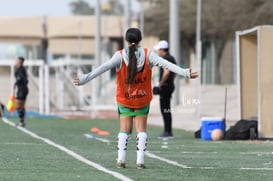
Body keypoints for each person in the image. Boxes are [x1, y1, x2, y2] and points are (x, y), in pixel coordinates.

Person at [73, 28, 198, 169]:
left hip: (124, 99)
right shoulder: (148, 54)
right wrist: (185, 73)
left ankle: (121, 160)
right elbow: (166, 65)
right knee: (141, 130)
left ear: (126, 40)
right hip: (142, 99)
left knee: (124, 129)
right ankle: (140, 161)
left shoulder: (119, 55)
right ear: (140, 39)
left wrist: (84, 79)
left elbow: (104, 67)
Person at [154, 40, 176, 138]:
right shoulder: (171, 58)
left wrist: (160, 85)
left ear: (162, 49)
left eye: (159, 49)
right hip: (169, 85)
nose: (158, 51)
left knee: (165, 109)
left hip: (166, 87)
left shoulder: (166, 59)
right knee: (166, 109)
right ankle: (167, 130)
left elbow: (166, 72)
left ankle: (167, 131)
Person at [14, 57, 29, 127]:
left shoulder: (20, 70)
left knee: (17, 105)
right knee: (21, 106)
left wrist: (16, 83)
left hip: (22, 89)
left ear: (20, 62)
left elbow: (20, 79)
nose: (16, 62)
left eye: (17, 61)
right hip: (23, 89)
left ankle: (21, 121)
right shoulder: (22, 69)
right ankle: (22, 122)